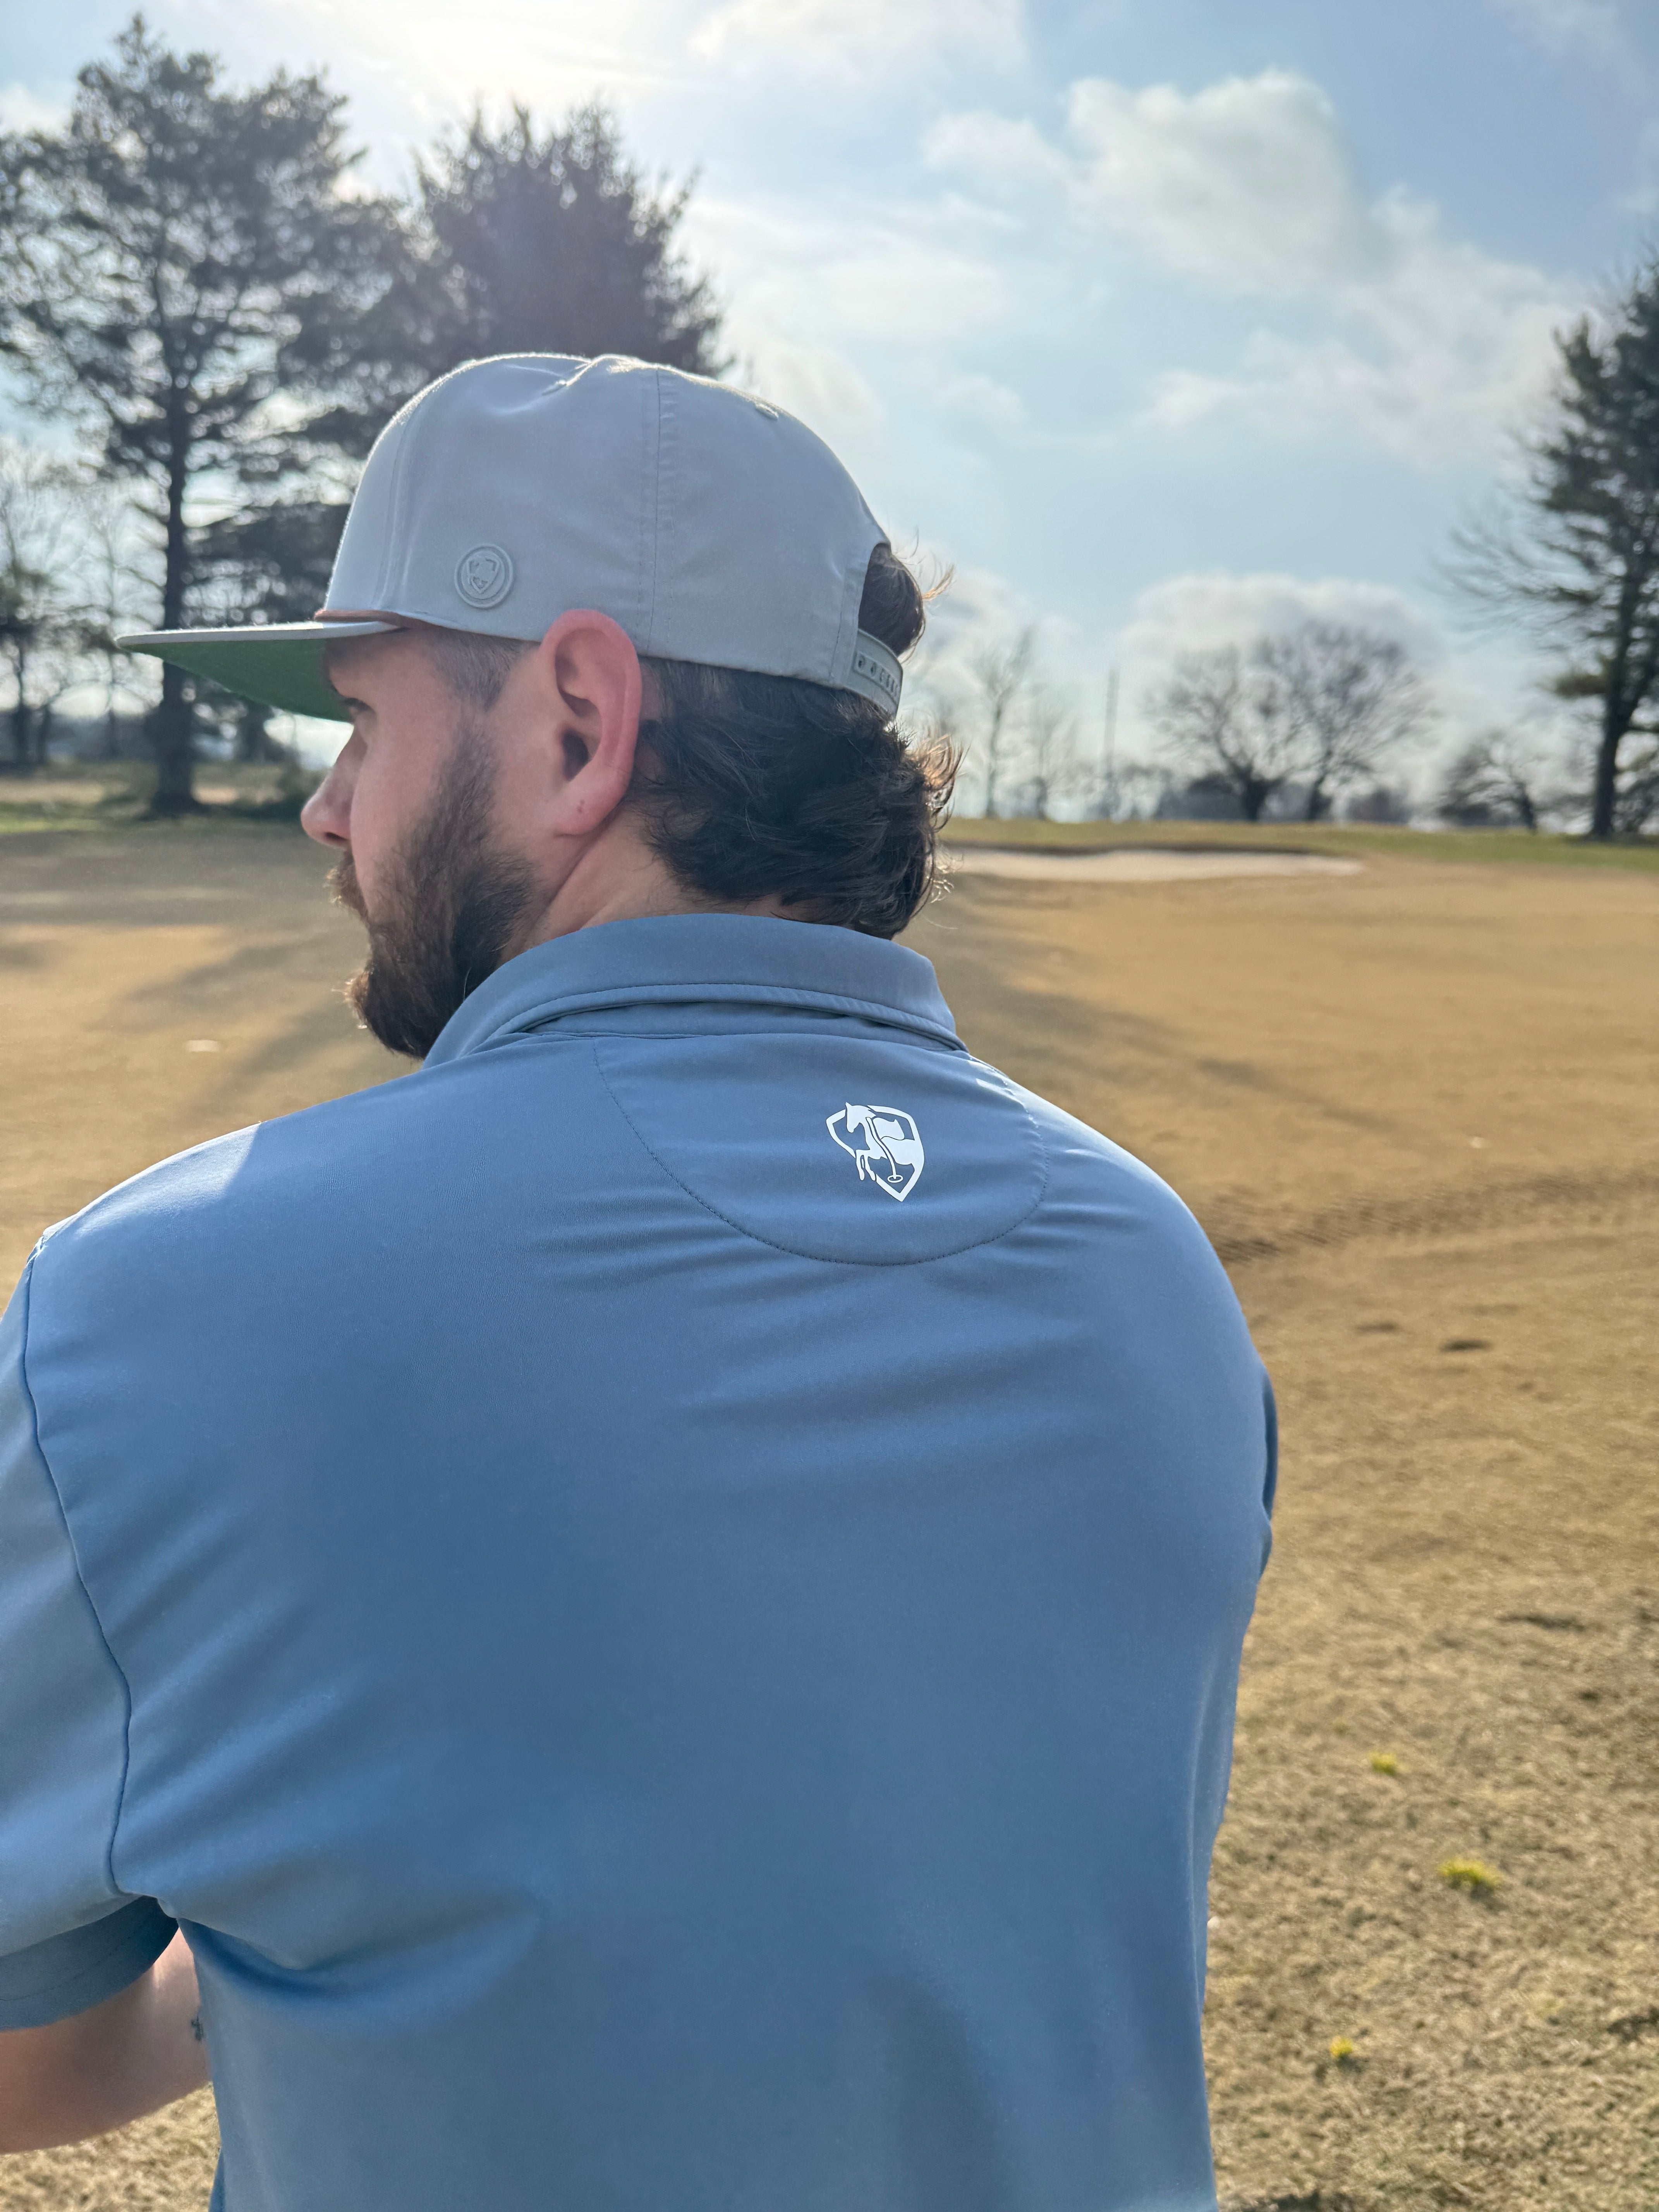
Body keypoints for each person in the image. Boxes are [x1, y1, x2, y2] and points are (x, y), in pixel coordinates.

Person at [0, 354, 1275, 2211]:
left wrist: (264, 1952)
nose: (330, 809)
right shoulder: (1156, 1269)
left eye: (363, 721)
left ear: (581, 723)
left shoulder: (168, 1300)